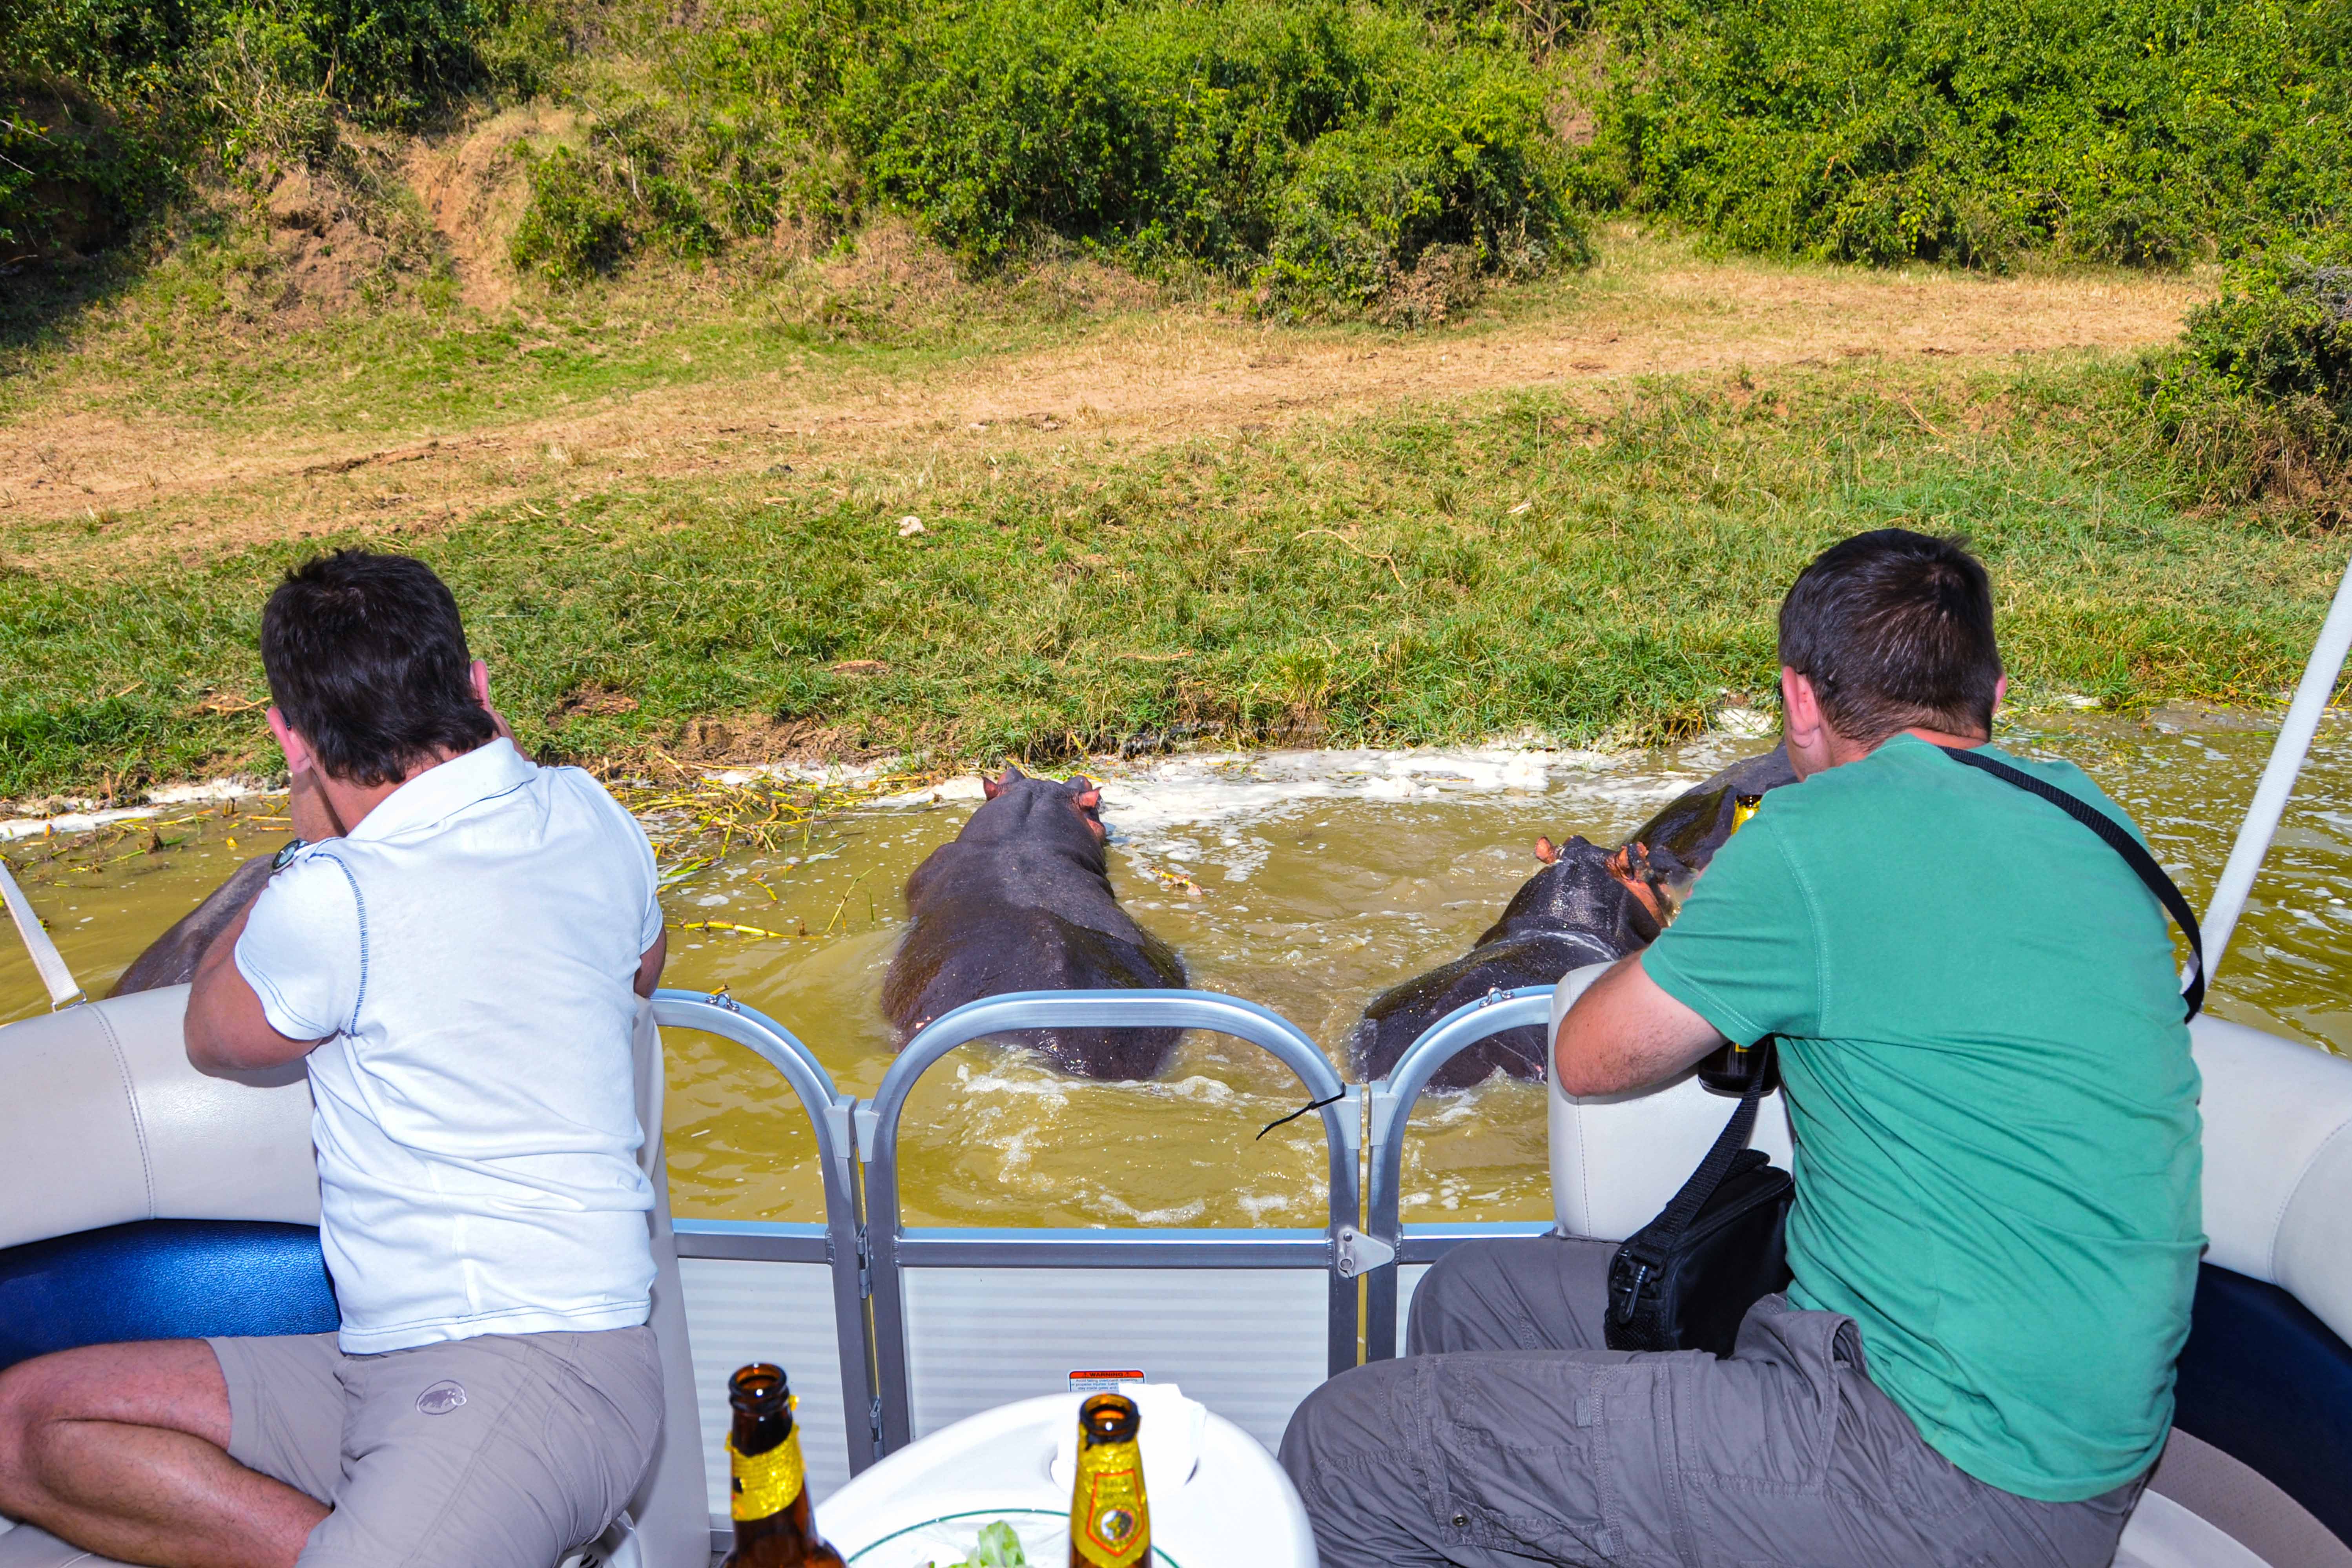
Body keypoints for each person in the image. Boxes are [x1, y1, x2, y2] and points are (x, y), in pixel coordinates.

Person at [1280, 529, 2203, 1568]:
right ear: (1988, 688)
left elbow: (1589, 1054)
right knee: (1467, 1301)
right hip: (2068, 1426)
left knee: (1345, 1441)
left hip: (1936, 1454)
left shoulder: (1815, 838)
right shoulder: (2089, 812)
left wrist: (1708, 932)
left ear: (1797, 699)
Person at [0, 551, 670, 1568]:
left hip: (537, 1366)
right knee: (23, 1430)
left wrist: (301, 842)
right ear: (479, 685)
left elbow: (215, 1032)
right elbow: (643, 964)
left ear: (292, 737)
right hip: (384, 1366)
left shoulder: (336, 893)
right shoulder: (590, 815)